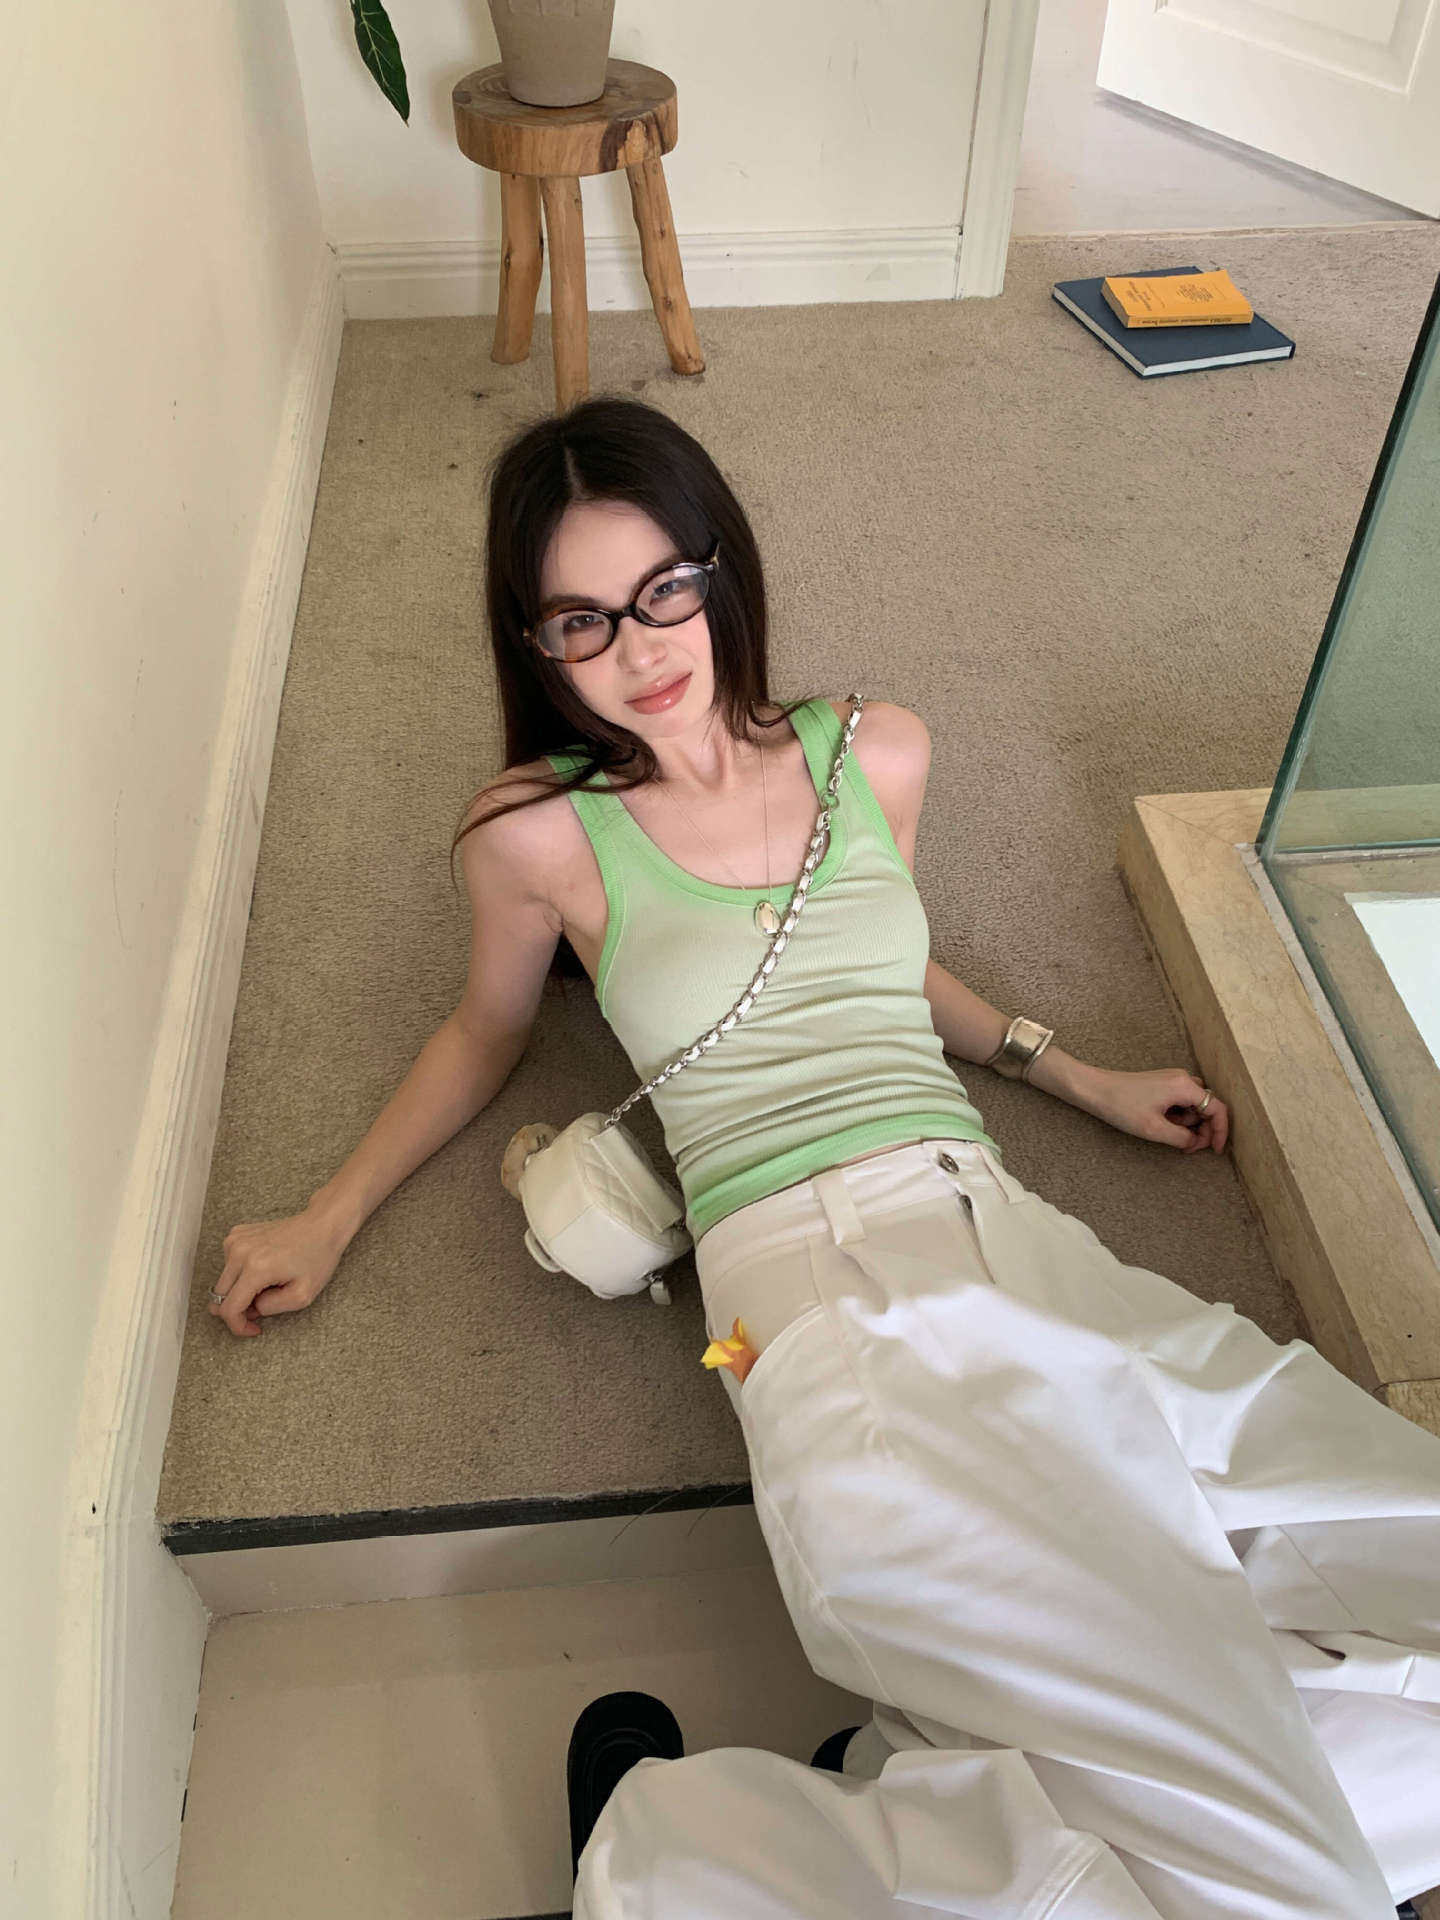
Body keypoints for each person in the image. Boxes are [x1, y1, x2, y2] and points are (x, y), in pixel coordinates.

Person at [208, 398, 1440, 1917]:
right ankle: (730, 1857)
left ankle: (740, 1862)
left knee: (1375, 1577)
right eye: (584, 621)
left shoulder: (877, 748)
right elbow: (484, 1031)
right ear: (537, 647)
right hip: (805, 1295)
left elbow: (879, 953)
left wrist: (1074, 1072)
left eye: (666, 589)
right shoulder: (534, 836)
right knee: (1240, 1824)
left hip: (1006, 1226)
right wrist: (327, 1216)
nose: (641, 648)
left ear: (720, 567)